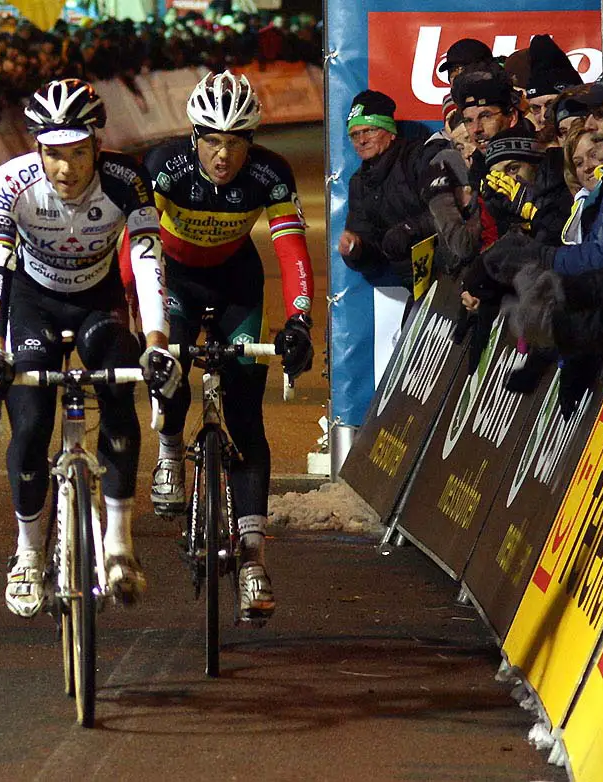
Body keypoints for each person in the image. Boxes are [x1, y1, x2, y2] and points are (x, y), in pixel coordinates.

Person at [0, 78, 181, 618]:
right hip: (32, 301)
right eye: (53, 155)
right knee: (32, 419)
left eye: (78, 154)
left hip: (98, 300)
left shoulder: (126, 179)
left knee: (118, 388)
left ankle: (119, 546)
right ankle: (25, 554)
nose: (65, 170)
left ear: (97, 144)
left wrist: (157, 343)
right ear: (37, 148)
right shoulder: (10, 182)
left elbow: (148, 259)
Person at [142, 70, 315, 622]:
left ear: (251, 141)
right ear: (194, 138)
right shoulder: (164, 165)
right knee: (168, 366)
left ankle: (254, 558)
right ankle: (170, 447)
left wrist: (300, 320)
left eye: (235, 141)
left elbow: (291, 251)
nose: (223, 154)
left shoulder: (270, 173)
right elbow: (137, 243)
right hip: (175, 281)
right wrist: (143, 319)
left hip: (238, 282)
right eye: (212, 140)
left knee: (245, 418)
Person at [339, 88, 444, 287]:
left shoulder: (419, 159)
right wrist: (356, 249)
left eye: (369, 130)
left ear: (390, 132)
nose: (361, 140)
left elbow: (450, 212)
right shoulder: (359, 183)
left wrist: (408, 230)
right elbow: (374, 259)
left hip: (453, 271)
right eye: (354, 135)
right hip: (418, 285)